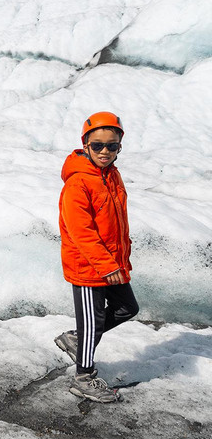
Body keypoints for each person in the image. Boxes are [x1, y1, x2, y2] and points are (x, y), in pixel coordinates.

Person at [55, 111, 139, 404]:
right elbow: (82, 233)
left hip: (110, 263)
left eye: (112, 146)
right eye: (98, 146)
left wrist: (119, 258)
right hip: (88, 266)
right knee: (93, 321)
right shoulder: (78, 183)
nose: (105, 151)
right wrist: (106, 266)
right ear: (85, 145)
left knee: (128, 307)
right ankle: (83, 378)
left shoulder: (110, 175)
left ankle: (77, 340)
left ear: (119, 146)